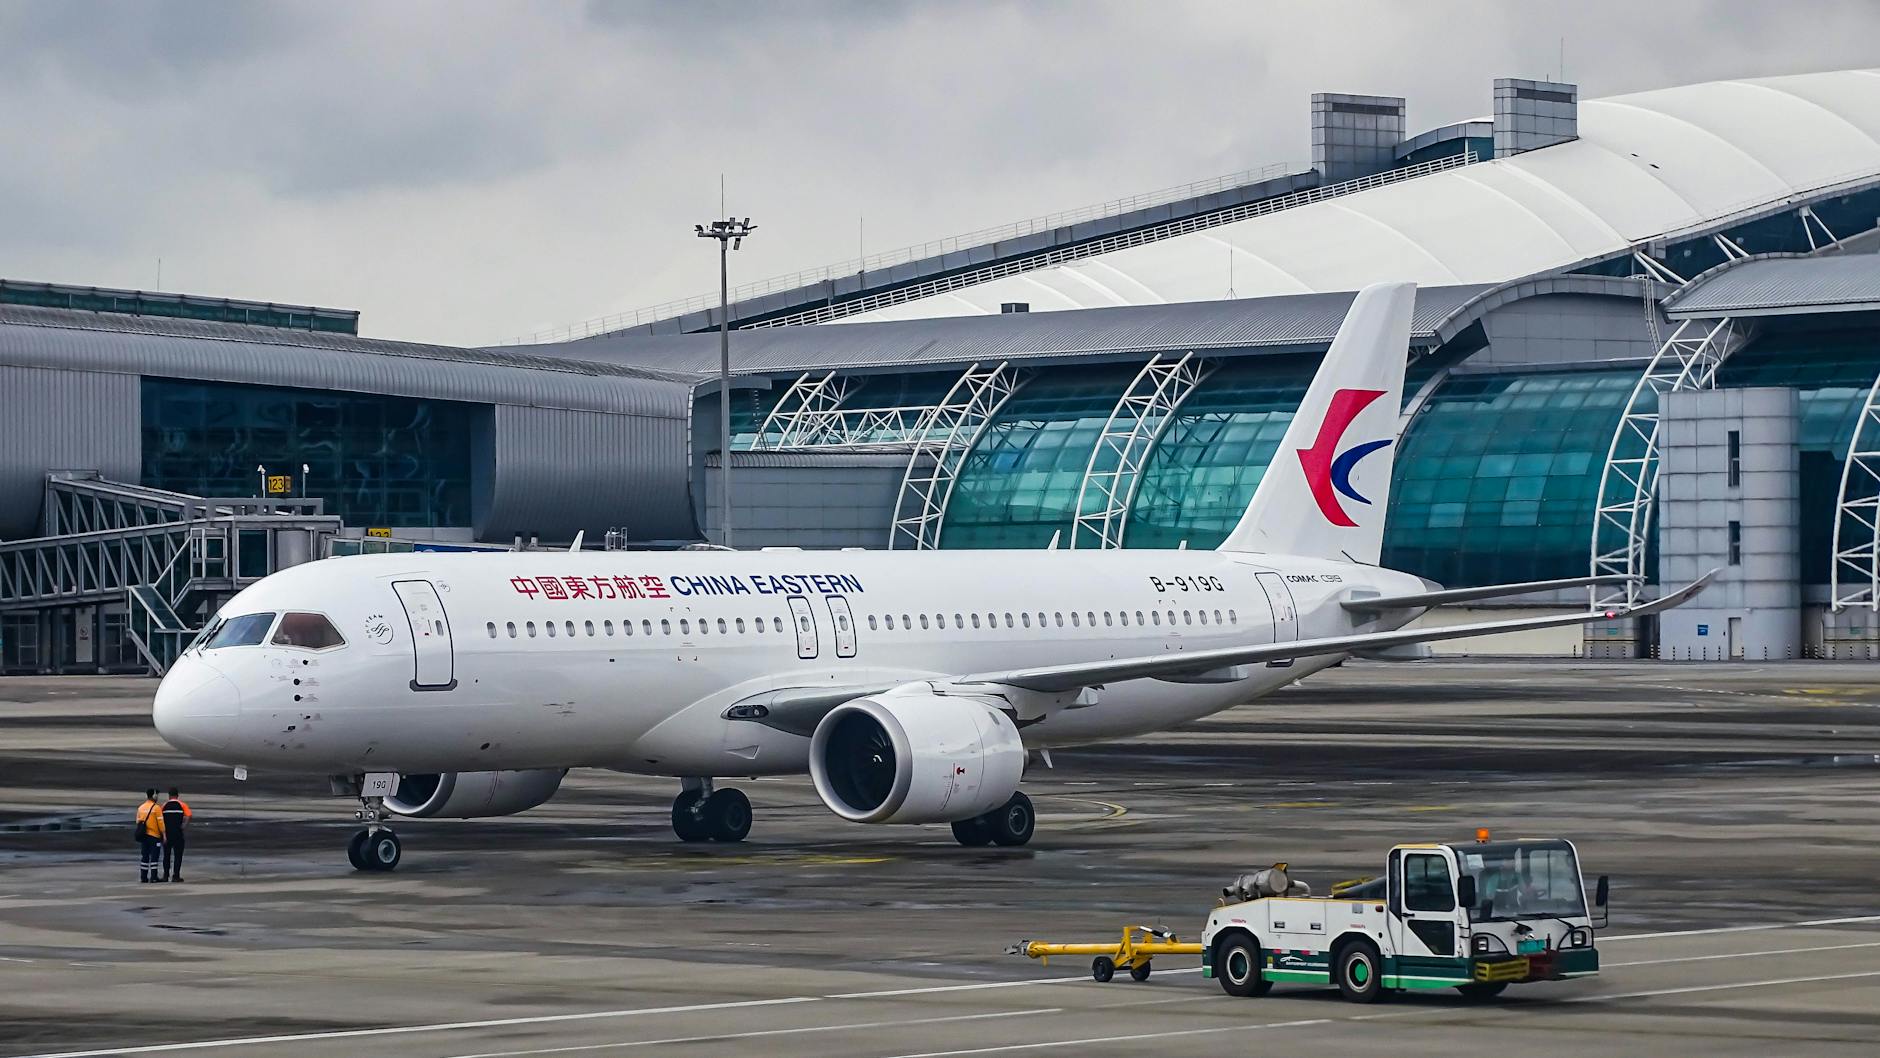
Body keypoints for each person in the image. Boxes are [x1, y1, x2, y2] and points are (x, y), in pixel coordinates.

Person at [160, 788, 192, 882]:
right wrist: (183, 825)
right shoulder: (182, 805)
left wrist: (163, 832)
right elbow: (189, 815)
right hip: (178, 833)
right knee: (178, 855)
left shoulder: (164, 805)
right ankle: (176, 875)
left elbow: (160, 818)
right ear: (177, 795)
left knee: (166, 855)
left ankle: (166, 875)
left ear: (169, 796)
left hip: (167, 834)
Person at [135, 789, 165, 883]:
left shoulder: (141, 807)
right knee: (154, 857)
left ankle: (143, 877)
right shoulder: (156, 808)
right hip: (154, 836)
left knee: (145, 856)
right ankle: (154, 877)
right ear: (154, 796)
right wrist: (164, 834)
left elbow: (138, 822)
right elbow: (160, 822)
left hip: (144, 836)